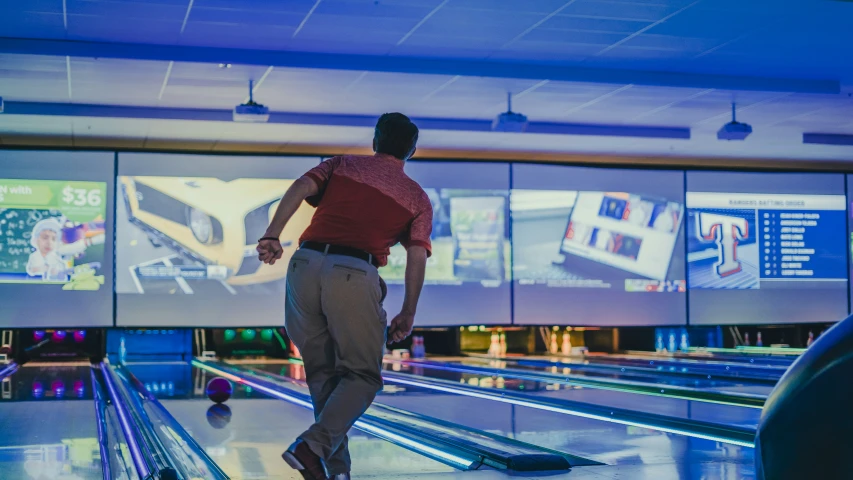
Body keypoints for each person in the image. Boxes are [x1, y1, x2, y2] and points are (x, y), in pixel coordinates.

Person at [257, 113, 431, 480]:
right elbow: (417, 254)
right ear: (411, 150)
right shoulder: (417, 197)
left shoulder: (340, 165)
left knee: (323, 375)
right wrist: (409, 311)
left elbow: (300, 188)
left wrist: (272, 234)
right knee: (363, 376)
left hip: (303, 266)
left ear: (375, 140)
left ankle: (335, 471)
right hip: (354, 273)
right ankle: (311, 447)